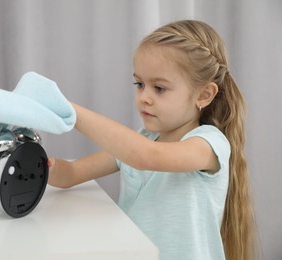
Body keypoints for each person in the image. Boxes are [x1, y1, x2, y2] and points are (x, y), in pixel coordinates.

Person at [47, 20, 256, 260]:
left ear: (204, 95)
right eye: (139, 84)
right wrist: (43, 166)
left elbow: (147, 156)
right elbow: (72, 173)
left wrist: (68, 111)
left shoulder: (208, 144)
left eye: (159, 88)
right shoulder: (140, 142)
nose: (144, 97)